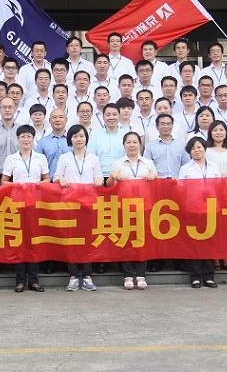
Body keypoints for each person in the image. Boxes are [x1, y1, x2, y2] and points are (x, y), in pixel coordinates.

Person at [55, 124, 103, 292]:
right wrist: (60, 179)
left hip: (89, 205)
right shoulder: (64, 158)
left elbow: (99, 178)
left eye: (81, 136)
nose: (78, 139)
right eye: (75, 136)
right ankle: (74, 275)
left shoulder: (93, 158)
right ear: (70, 139)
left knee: (88, 240)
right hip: (70, 205)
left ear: (86, 138)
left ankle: (87, 275)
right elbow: (56, 177)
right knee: (72, 240)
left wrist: (99, 181)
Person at [2, 125, 50, 293]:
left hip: (36, 204)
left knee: (34, 241)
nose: (26, 139)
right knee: (19, 242)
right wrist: (16, 185)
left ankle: (34, 280)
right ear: (18, 139)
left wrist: (37, 184)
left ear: (33, 139)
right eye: (22, 136)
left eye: (29, 136)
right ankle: (20, 280)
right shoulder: (11, 159)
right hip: (18, 204)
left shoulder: (40, 158)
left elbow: (47, 179)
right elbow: (4, 181)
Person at [107, 131, 157, 290]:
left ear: (140, 145)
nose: (132, 145)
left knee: (142, 240)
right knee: (126, 240)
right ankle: (128, 274)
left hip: (144, 207)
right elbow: (109, 186)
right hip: (124, 207)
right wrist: (113, 177)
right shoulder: (118, 164)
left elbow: (157, 186)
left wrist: (154, 176)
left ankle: (141, 274)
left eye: (135, 142)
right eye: (128, 142)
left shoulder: (148, 163)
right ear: (124, 145)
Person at [178, 136, 221, 289]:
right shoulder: (185, 169)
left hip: (211, 208)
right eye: (193, 148)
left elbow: (220, 187)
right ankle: (195, 277)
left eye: (199, 147)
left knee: (210, 243)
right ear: (189, 152)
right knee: (194, 243)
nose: (196, 150)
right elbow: (180, 189)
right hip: (193, 209)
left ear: (204, 148)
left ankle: (209, 276)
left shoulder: (215, 167)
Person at [205, 120, 227, 270]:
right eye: (215, 130)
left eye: (221, 130)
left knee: (226, 225)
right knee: (213, 225)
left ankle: (225, 256)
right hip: (211, 193)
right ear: (210, 133)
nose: (218, 133)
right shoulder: (206, 150)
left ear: (226, 132)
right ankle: (214, 257)